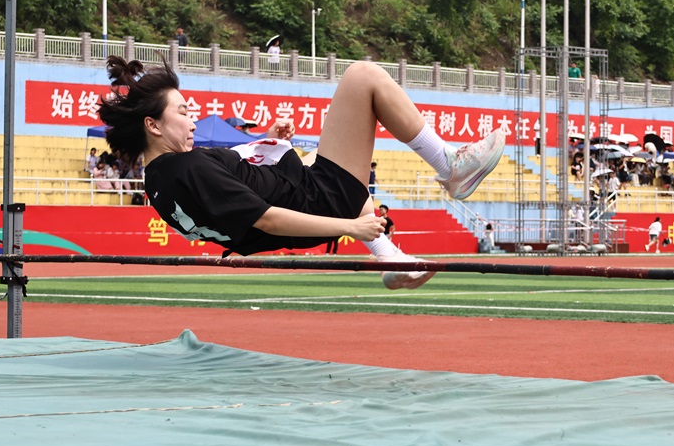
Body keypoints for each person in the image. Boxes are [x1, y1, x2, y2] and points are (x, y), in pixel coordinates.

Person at [97, 56, 504, 290]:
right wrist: (350, 227)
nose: (192, 121)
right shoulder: (187, 168)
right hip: (315, 198)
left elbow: (235, 181)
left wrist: (270, 143)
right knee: (363, 77)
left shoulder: (160, 180)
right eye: (184, 113)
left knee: (320, 164)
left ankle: (390, 258)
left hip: (303, 194)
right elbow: (267, 218)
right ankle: (449, 165)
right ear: (153, 125)